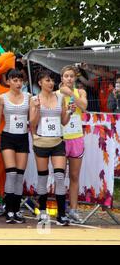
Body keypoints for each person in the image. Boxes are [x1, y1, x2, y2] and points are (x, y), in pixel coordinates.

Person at [30, 70, 72, 226]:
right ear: (40, 82)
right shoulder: (34, 99)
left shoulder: (60, 97)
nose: (51, 83)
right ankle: (42, 212)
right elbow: (32, 123)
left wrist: (69, 112)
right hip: (41, 142)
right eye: (47, 80)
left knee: (60, 176)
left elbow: (64, 121)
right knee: (43, 177)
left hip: (57, 141)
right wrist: (36, 109)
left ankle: (61, 214)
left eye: (52, 80)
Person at [0, 69, 30, 224]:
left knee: (20, 174)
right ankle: (9, 209)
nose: (18, 83)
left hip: (22, 137)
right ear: (8, 81)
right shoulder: (2, 98)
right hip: (8, 136)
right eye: (14, 80)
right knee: (11, 173)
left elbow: (33, 118)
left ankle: (16, 209)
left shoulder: (29, 97)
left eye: (20, 80)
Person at [58, 65, 88, 223]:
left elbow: (84, 106)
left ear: (75, 78)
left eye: (71, 76)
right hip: (61, 138)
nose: (69, 78)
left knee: (74, 175)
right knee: (60, 175)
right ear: (61, 78)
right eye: (66, 76)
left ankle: (74, 210)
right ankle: (61, 210)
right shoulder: (56, 94)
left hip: (76, 137)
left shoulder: (80, 92)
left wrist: (70, 93)